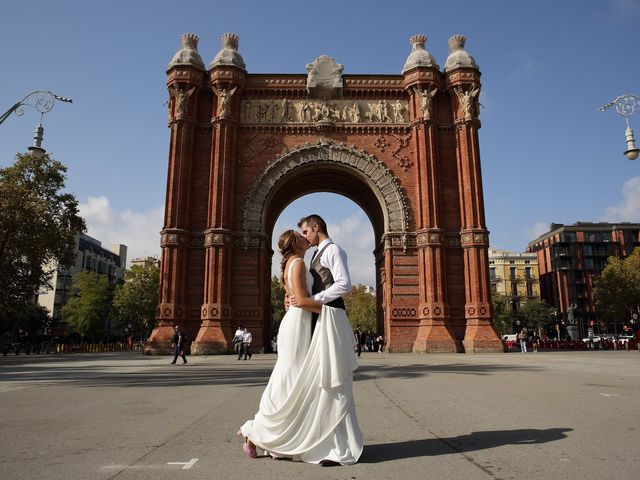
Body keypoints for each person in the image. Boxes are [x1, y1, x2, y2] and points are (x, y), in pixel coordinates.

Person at [238, 219, 363, 466]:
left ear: (317, 228)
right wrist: (332, 313)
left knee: (299, 382)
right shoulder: (298, 263)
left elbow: (298, 296)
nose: (305, 237)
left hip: (304, 322)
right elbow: (303, 299)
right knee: (291, 381)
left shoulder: (316, 256)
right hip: (300, 324)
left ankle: (279, 438)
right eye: (301, 234)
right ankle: (257, 432)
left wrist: (298, 301)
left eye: (306, 231)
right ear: (295, 242)